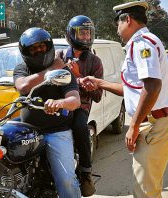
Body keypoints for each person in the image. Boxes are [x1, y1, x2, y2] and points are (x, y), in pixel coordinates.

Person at [83, 1, 168, 197]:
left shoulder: (142, 43)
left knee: (144, 192)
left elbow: (152, 87)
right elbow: (133, 89)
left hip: (154, 124)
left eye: (118, 24)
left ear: (127, 19)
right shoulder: (142, 42)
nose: (117, 29)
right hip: (156, 122)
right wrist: (99, 83)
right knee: (149, 189)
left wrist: (133, 126)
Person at [13, 27, 81, 198]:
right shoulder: (22, 68)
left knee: (66, 179)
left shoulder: (63, 72)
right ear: (26, 52)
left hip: (56, 131)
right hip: (26, 131)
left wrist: (60, 103)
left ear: (48, 46)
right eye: (33, 48)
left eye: (42, 46)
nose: (38, 50)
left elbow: (75, 100)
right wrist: (49, 72)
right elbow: (22, 86)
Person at [55, 15, 103, 197]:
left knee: (80, 127)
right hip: (62, 104)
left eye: (88, 33)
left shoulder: (95, 62)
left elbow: (97, 96)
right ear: (70, 34)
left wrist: (79, 77)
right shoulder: (59, 56)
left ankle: (86, 173)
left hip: (81, 106)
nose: (85, 37)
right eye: (81, 33)